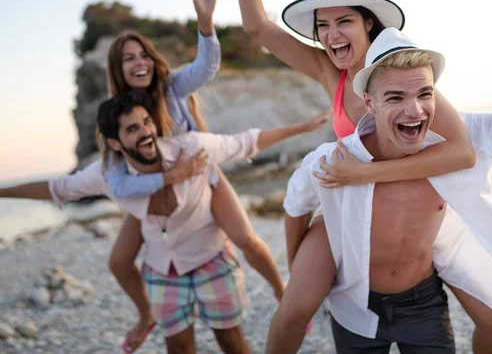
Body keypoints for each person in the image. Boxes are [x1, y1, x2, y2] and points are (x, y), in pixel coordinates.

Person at [233, 0, 492, 352]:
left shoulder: (401, 76)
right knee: (292, 309)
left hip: (408, 213)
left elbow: (461, 153)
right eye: (323, 25)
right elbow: (256, 26)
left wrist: (367, 174)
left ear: (368, 22)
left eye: (344, 22)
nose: (332, 34)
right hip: (346, 207)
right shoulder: (327, 70)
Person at [278, 27, 492, 353]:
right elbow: (295, 204)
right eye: (395, 97)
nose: (415, 110)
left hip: (423, 303)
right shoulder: (334, 161)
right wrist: (296, 269)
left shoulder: (459, 142)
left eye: (424, 93)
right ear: (369, 102)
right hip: (355, 306)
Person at [0, 90, 331, 354]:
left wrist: (303, 127)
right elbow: (56, 188)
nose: (146, 133)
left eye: (146, 122)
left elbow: (245, 142)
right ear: (115, 144)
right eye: (132, 129)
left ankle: (280, 291)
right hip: (162, 269)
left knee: (231, 342)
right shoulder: (107, 175)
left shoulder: (189, 148)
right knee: (178, 347)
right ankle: (146, 317)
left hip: (211, 259)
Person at [98, 0, 321, 352]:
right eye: (128, 59)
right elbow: (115, 179)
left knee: (247, 238)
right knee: (119, 260)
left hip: (200, 173)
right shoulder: (116, 118)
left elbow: (206, 68)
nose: (139, 63)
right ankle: (146, 312)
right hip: (161, 186)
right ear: (117, 71)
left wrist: (205, 23)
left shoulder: (170, 88)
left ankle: (281, 289)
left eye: (143, 55)